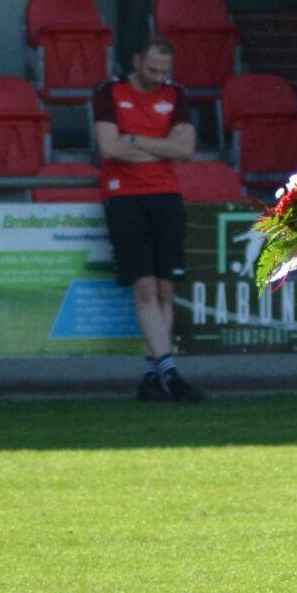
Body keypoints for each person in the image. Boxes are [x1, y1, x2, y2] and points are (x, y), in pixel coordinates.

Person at [94, 36, 204, 402]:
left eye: (165, 71)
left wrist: (135, 139)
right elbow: (109, 147)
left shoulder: (176, 95)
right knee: (144, 287)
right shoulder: (110, 92)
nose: (159, 77)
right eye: (153, 69)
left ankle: (152, 375)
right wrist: (161, 148)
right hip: (124, 197)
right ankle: (170, 372)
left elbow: (185, 149)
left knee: (164, 289)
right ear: (137, 58)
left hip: (166, 196)